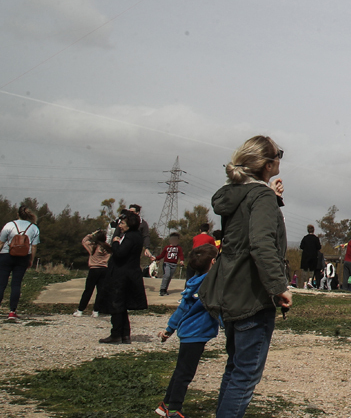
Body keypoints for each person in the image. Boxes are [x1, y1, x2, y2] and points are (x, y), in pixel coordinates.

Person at [199, 135, 292, 418]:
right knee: (246, 375)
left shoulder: (240, 193)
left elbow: (242, 230)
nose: (280, 160)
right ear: (266, 165)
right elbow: (261, 244)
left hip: (228, 291)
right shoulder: (260, 196)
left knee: (235, 367)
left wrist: (271, 198)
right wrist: (279, 287)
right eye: (279, 155)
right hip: (251, 295)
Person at [156, 244, 219, 418]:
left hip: (186, 333)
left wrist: (169, 329)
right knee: (185, 373)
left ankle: (166, 404)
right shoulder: (210, 285)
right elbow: (216, 309)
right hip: (196, 334)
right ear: (214, 262)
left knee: (180, 370)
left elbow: (182, 309)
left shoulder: (193, 283)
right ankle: (175, 409)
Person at [96, 211, 148, 343]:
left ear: (130, 224)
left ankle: (116, 334)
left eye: (123, 223)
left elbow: (120, 253)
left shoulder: (131, 237)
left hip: (122, 275)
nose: (120, 225)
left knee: (117, 305)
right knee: (122, 306)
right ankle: (124, 334)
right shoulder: (135, 236)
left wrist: (115, 242)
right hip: (127, 274)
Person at [0, 207, 41, 321]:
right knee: (16, 284)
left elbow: (1, 242)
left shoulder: (9, 225)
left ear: (17, 214)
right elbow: (34, 246)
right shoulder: (33, 228)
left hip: (6, 255)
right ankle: (12, 312)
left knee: (1, 283)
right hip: (23, 257)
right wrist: (31, 260)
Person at [76, 229, 112, 317]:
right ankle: (96, 311)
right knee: (100, 291)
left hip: (94, 269)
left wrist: (92, 233)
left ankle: (80, 310)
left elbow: (84, 240)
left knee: (88, 290)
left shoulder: (93, 246)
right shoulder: (108, 248)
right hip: (104, 269)